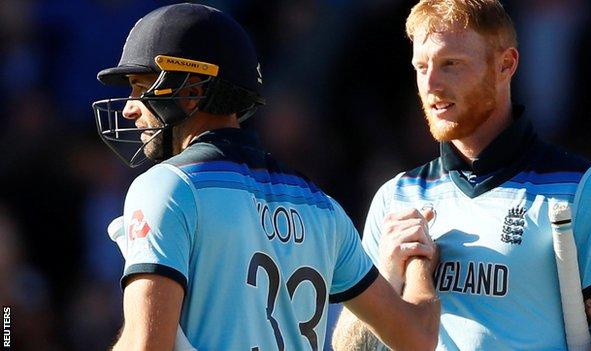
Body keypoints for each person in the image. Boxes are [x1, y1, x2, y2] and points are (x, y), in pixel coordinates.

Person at [92, 3, 440, 350]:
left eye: (141, 87)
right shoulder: (323, 207)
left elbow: (146, 345)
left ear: (194, 90)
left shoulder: (166, 186)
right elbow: (419, 338)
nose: (129, 106)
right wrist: (419, 262)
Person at [332, 0, 591, 350]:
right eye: (421, 67)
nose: (431, 85)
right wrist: (387, 271)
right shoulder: (396, 196)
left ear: (505, 64)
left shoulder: (583, 189)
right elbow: (352, 348)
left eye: (450, 64)